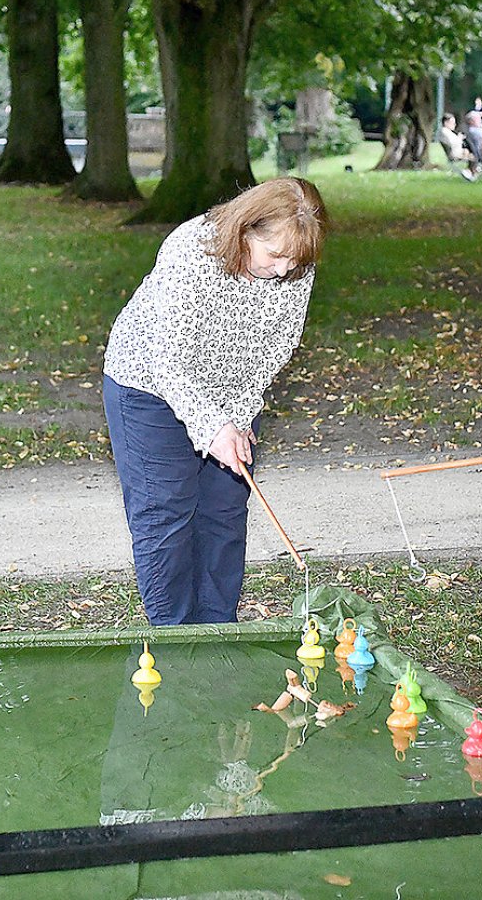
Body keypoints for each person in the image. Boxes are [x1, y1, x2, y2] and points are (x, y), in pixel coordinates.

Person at [102, 177, 329, 626]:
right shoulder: (192, 249)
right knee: (166, 514)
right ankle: (176, 642)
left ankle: (217, 631)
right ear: (246, 230)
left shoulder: (296, 263)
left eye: (295, 260)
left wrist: (239, 417)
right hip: (150, 388)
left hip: (232, 398)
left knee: (224, 513)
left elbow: (277, 348)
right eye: (276, 256)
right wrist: (212, 427)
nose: (285, 270)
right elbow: (170, 359)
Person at [438, 113, 476, 181]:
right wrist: (460, 138)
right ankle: (469, 173)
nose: (454, 125)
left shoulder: (448, 132)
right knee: (474, 157)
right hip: (455, 154)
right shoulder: (445, 132)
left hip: (458, 151)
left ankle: (470, 173)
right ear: (446, 123)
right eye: (452, 123)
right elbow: (453, 143)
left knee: (472, 153)